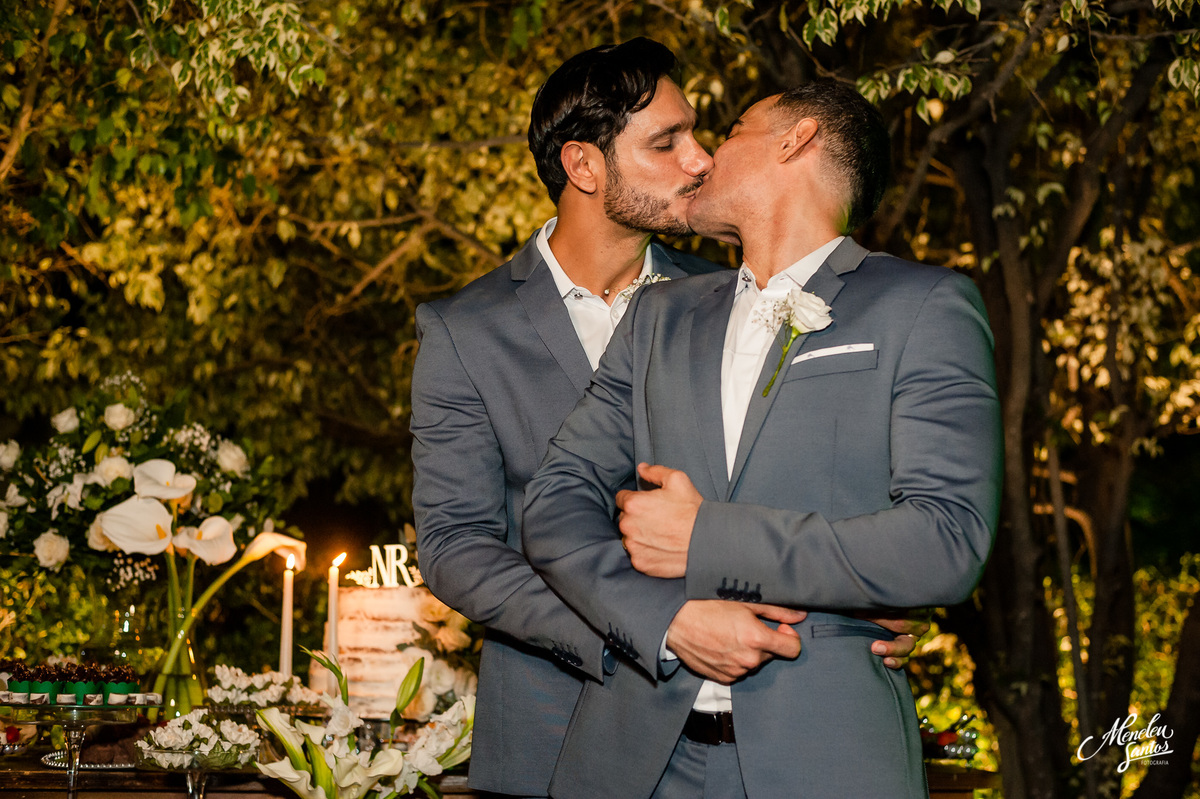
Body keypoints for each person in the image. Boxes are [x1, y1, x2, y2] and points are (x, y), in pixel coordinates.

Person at [410, 41, 924, 798]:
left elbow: (805, 485)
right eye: (667, 141)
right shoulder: (466, 329)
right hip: (557, 730)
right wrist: (656, 627)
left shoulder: (741, 300)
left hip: (759, 734)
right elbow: (456, 545)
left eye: (698, 133)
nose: (701, 160)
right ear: (585, 167)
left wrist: (855, 611)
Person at [522, 79, 1002, 799]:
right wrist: (668, 619)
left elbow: (947, 539)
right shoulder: (657, 315)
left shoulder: (924, 307)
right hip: (632, 763)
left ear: (795, 139)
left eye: (733, 129)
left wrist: (709, 539)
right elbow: (554, 504)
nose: (703, 156)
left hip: (827, 760)